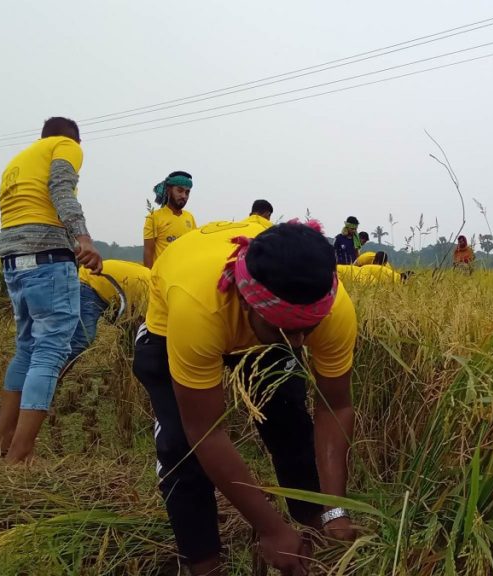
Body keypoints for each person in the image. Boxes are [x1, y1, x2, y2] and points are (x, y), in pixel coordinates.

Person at [133, 219, 357, 575]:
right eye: (286, 331)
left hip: (253, 320)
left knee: (290, 421)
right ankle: (204, 564)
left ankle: (318, 526)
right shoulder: (197, 309)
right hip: (175, 323)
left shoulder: (331, 310)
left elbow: (336, 406)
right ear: (246, 301)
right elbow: (205, 430)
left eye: (308, 330)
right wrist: (270, 529)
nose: (298, 343)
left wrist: (336, 509)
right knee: (180, 448)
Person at [0, 116, 103, 464]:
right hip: (48, 258)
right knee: (50, 352)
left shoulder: (19, 160)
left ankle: (4, 443)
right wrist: (83, 238)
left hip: (13, 259)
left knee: (26, 349)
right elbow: (61, 189)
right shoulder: (66, 146)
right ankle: (19, 458)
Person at [70, 259, 151, 360]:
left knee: (131, 332)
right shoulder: (152, 293)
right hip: (89, 281)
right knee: (82, 338)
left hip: (109, 288)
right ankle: (54, 366)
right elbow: (141, 326)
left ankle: (125, 363)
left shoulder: (157, 284)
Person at [143, 171, 197, 268]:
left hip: (184, 273)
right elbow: (148, 252)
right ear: (169, 190)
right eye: (179, 191)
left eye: (187, 192)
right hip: (162, 275)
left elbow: (193, 248)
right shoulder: (154, 217)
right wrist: (149, 275)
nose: (184, 196)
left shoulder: (190, 217)